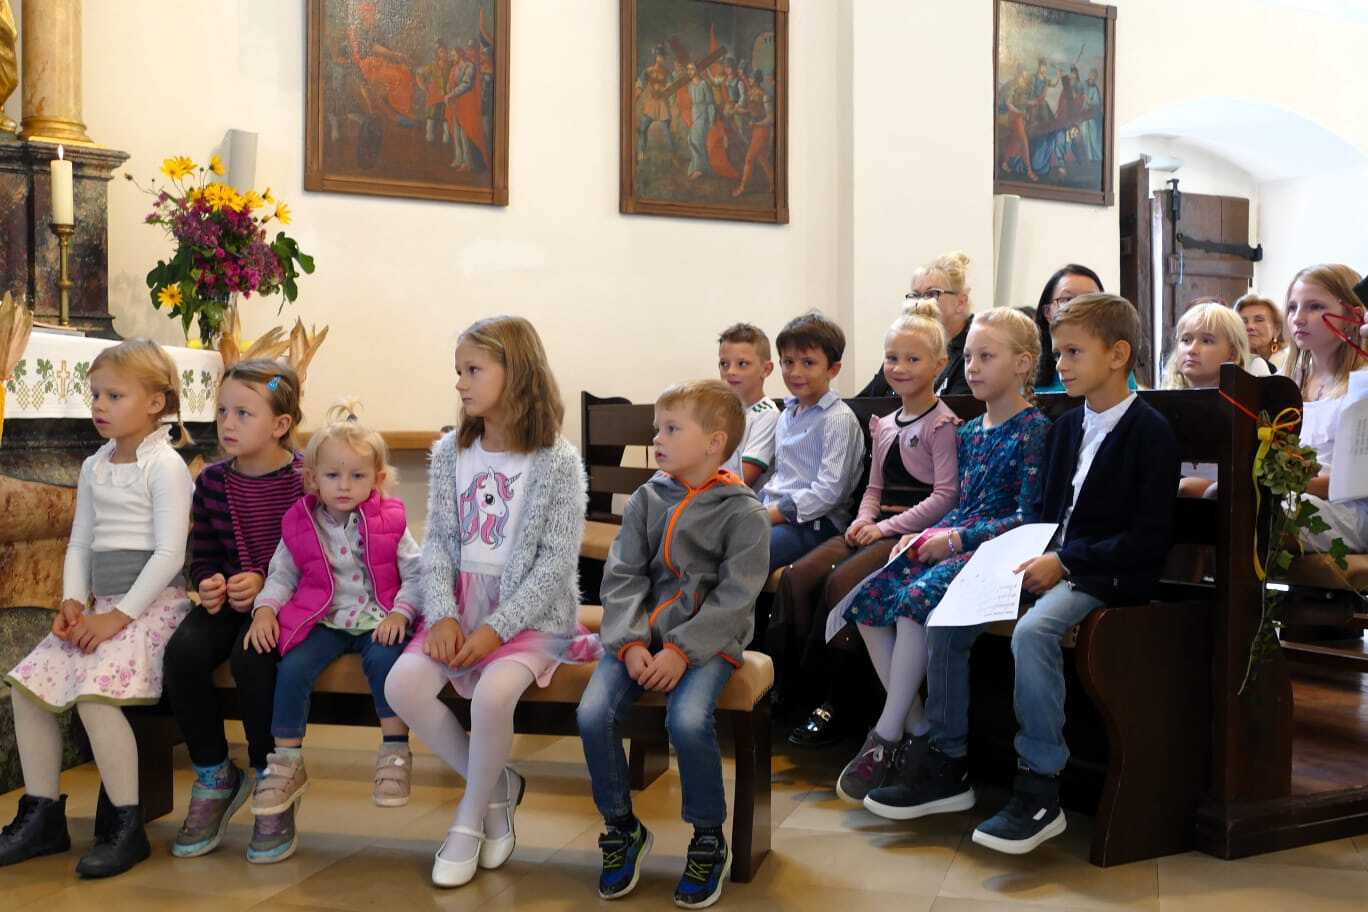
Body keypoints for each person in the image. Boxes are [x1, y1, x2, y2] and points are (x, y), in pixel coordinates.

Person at [868, 294, 1180, 857]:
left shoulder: (1148, 432)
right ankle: (948, 764)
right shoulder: (1067, 428)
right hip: (1043, 561)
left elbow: (1147, 537)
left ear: (1118, 355)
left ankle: (1040, 788)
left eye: (1074, 352)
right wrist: (1028, 557)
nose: (1061, 364)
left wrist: (1066, 560)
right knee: (946, 619)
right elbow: (1041, 516)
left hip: (1105, 576)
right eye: (1058, 353)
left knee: (1034, 633)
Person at [383, 316, 599, 888]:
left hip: (529, 616)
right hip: (459, 608)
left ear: (517, 372)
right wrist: (444, 615)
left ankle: (467, 819)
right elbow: (439, 544)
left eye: (473, 370)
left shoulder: (557, 461)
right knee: (402, 686)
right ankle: (499, 787)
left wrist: (496, 630)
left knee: (494, 695)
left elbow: (554, 564)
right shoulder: (450, 453)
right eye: (459, 371)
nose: (460, 383)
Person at [836, 309, 1050, 805]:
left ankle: (886, 736)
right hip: (957, 540)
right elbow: (961, 503)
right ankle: (916, 727)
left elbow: (1027, 517)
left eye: (986, 356)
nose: (972, 366)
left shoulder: (1034, 429)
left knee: (916, 601)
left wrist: (953, 540)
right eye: (968, 356)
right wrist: (923, 534)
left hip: (998, 553)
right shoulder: (971, 431)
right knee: (868, 600)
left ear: (1022, 363)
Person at [1, 339, 194, 878]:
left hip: (151, 608)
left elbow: (170, 554)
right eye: (95, 395)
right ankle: (43, 815)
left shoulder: (165, 466)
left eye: (114, 395)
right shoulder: (94, 465)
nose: (99, 405)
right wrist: (71, 599)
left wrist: (117, 617)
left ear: (155, 402)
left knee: (95, 698)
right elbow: (80, 542)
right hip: (101, 607)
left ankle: (126, 825)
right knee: (28, 689)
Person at [579, 379, 770, 908]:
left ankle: (708, 836)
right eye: (656, 428)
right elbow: (623, 575)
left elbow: (736, 597)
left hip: (709, 641)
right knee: (593, 714)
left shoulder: (744, 511)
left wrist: (681, 650)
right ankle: (621, 828)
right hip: (639, 637)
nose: (656, 439)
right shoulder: (648, 497)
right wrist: (629, 642)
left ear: (714, 442)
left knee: (686, 720)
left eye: (670, 429)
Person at [240, 402, 421, 863]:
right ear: (312, 478)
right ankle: (286, 760)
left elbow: (417, 574)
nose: (344, 486)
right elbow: (282, 575)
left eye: (357, 476)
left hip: (379, 616)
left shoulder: (391, 520)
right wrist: (265, 611)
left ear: (377, 478)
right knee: (293, 666)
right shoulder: (300, 523)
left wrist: (401, 614)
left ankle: (395, 751)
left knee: (385, 661)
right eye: (333, 475)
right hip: (324, 618)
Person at [779, 300, 959, 751]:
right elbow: (873, 487)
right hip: (875, 524)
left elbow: (944, 497)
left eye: (912, 359)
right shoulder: (884, 424)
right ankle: (798, 687)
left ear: (939, 364)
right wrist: (863, 520)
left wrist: (883, 528)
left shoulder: (941, 424)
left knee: (840, 584)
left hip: (908, 532)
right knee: (799, 576)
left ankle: (836, 700)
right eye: (892, 358)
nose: (899, 367)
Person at [163, 361, 306, 860]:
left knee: (252, 658)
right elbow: (202, 553)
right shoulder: (212, 482)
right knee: (183, 653)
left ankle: (272, 779)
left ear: (280, 424)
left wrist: (265, 582)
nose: (227, 422)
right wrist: (208, 582)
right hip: (230, 602)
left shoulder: (305, 480)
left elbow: (318, 558)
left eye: (244, 413)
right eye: (222, 410)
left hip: (287, 602)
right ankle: (215, 774)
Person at [760, 311, 865, 572]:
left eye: (808, 363)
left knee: (749, 552)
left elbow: (829, 492)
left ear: (833, 369)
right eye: (788, 362)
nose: (795, 372)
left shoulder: (837, 418)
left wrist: (773, 514)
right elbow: (780, 476)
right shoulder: (787, 415)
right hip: (772, 514)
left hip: (816, 523)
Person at [1284, 264, 1368, 553]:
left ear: (1352, 316)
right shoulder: (1288, 383)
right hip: (1293, 494)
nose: (1298, 318)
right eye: (1292, 307)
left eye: (1315, 306)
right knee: (1215, 497)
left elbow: (1358, 481)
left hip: (1347, 511)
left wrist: (1291, 483)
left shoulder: (1362, 384)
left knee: (1271, 510)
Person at [1161, 302, 1265, 497]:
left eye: (1207, 341)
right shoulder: (1161, 404)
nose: (1192, 349)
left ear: (1232, 354)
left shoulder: (1247, 407)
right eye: (1186, 340)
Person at [858, 252, 976, 398]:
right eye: (915, 295)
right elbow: (865, 401)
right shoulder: (906, 339)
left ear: (961, 302)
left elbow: (959, 407)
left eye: (932, 294)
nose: (920, 302)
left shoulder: (973, 347)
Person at [716, 322, 780, 490]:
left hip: (736, 499)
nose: (730, 371)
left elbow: (742, 479)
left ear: (766, 369)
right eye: (724, 364)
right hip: (710, 492)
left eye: (742, 364)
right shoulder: (718, 412)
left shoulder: (767, 414)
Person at [635, 45, 674, 160]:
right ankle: (641, 151)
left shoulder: (667, 72)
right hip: (652, 103)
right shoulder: (648, 71)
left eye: (663, 57)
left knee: (667, 131)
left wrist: (666, 88)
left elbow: (671, 86)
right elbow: (640, 85)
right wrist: (636, 96)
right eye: (660, 56)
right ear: (656, 57)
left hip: (662, 103)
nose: (662, 59)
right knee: (643, 128)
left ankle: (673, 154)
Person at [1234, 293, 1289, 374]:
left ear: (1276, 329)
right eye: (1244, 321)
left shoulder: (1290, 364)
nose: (1250, 326)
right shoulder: (1231, 363)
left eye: (1259, 320)